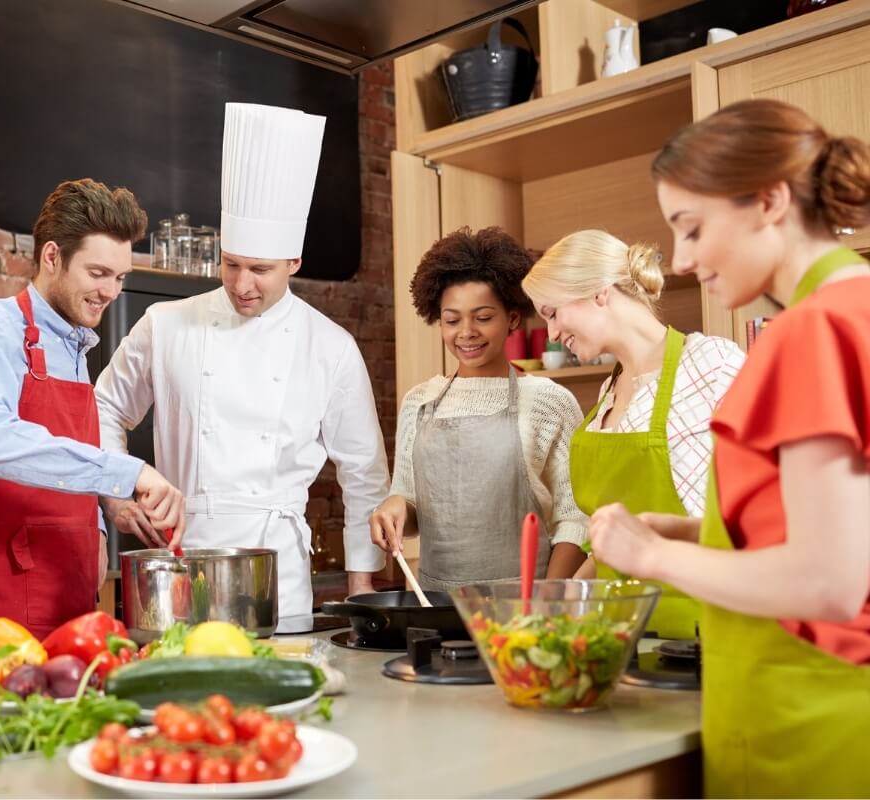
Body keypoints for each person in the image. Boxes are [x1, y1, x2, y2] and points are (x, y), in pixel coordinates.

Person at [588, 99, 870, 797]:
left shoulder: (812, 330)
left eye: (691, 228)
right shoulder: (858, 305)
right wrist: (702, 531)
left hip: (805, 714)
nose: (681, 262)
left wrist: (651, 556)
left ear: (770, 200)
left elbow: (828, 584)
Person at [94, 103, 389, 632]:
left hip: (277, 571)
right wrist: (116, 493)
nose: (242, 283)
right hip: (180, 564)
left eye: (261, 269)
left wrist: (361, 587)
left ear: (294, 263)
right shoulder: (166, 324)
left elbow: (363, 472)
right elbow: (104, 407)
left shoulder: (331, 346)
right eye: (231, 264)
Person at [0, 179, 182, 639]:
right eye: (97, 273)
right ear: (52, 257)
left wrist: (102, 523)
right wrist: (127, 472)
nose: (111, 291)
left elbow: (64, 458)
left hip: (69, 595)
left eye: (120, 277)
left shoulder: (75, 348)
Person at [522, 229, 745, 639]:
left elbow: (756, 520)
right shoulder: (606, 397)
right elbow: (607, 544)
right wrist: (566, 596)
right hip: (620, 639)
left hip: (703, 638)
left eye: (552, 312)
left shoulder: (712, 366)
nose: (551, 334)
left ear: (598, 292)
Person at [370, 227, 588, 588]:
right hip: (435, 604)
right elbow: (409, 500)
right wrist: (393, 509)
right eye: (452, 320)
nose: (466, 332)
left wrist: (547, 601)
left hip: (522, 608)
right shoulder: (419, 402)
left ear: (513, 319)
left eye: (483, 317)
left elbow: (575, 517)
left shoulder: (549, 402)